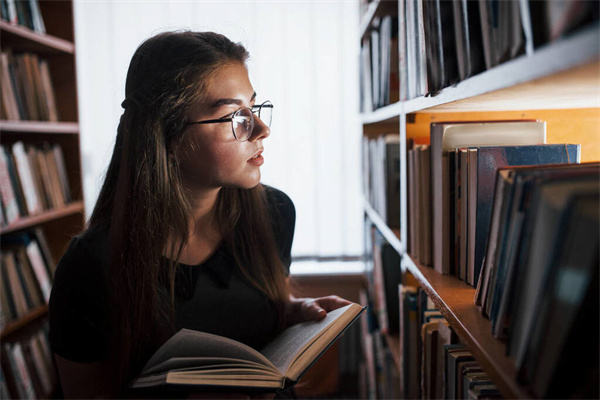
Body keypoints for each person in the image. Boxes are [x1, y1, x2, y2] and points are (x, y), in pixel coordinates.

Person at [48, 30, 351, 399]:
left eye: (253, 108)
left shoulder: (275, 213)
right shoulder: (91, 264)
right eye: (234, 116)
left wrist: (293, 310)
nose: (262, 129)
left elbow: (249, 309)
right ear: (168, 137)